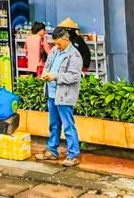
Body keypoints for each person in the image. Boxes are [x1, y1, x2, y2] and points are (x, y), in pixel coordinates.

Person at [34, 27, 83, 167]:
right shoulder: (54, 51)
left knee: (68, 125)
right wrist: (45, 74)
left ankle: (73, 154)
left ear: (66, 39)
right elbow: (47, 65)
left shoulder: (74, 55)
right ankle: (51, 150)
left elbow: (74, 76)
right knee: (54, 124)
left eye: (59, 43)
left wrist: (55, 76)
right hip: (51, 93)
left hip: (64, 95)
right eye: (55, 43)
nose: (56, 46)